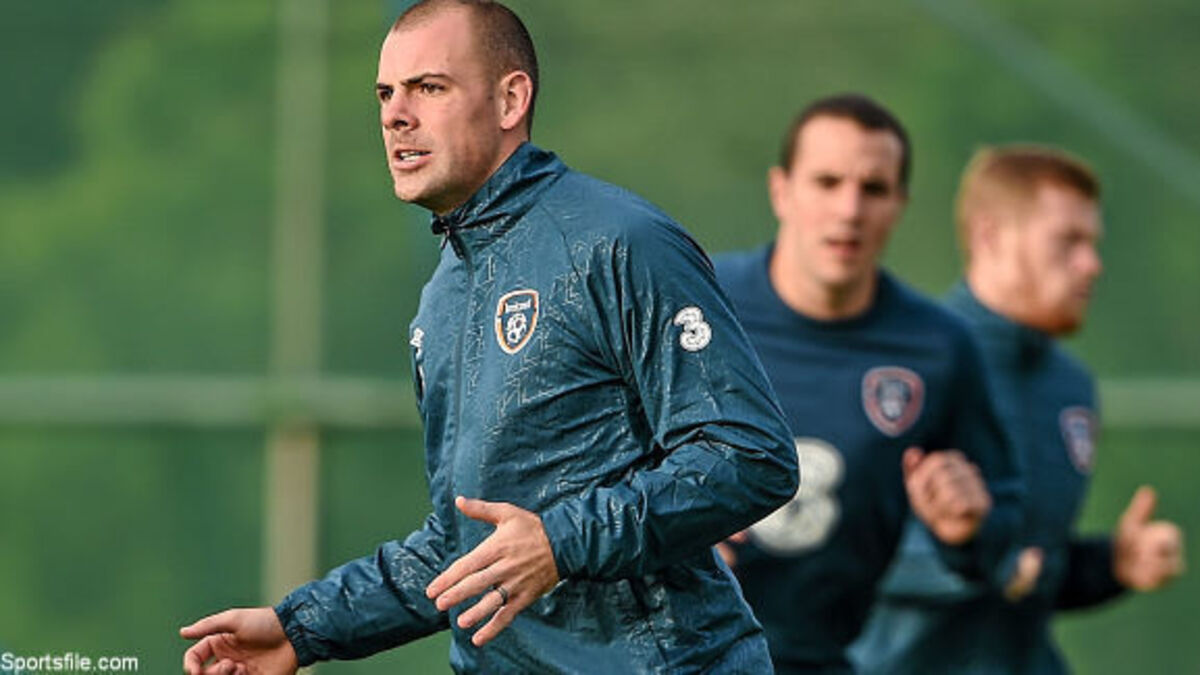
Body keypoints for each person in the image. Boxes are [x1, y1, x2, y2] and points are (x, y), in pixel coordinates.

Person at [180, 1, 798, 673]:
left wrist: (561, 541)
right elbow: (463, 546)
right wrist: (301, 629)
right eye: (386, 94)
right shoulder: (441, 299)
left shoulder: (621, 242)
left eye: (429, 87)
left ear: (510, 100)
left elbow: (750, 454)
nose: (395, 115)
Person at [711, 93, 1023, 673]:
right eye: (827, 182)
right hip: (667, 654)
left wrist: (967, 528)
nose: (849, 209)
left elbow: (1000, 533)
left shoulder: (937, 348)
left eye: (874, 189)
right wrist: (664, 527)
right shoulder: (696, 302)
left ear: (899, 204)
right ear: (781, 191)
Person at [852, 144, 1186, 674]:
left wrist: (1112, 565)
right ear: (991, 237)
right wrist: (983, 561)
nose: (1092, 264)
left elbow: (1035, 571)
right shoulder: (905, 367)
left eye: (1093, 243)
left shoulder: (1071, 387)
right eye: (1068, 241)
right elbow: (847, 544)